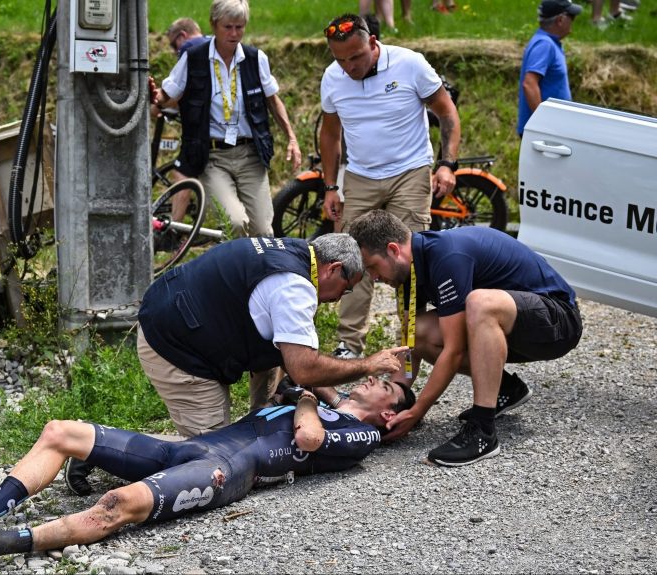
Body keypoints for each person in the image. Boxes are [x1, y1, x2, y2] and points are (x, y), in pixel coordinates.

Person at [0, 377, 416, 572]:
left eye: (388, 387)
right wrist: (313, 387)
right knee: (61, 430)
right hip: (193, 446)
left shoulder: (363, 434)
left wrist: (308, 396)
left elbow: (308, 438)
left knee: (121, 504)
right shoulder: (318, 399)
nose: (377, 379)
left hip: (227, 470)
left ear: (389, 414)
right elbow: (287, 379)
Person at [348, 210, 583, 467]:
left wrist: (419, 411)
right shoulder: (407, 272)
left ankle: (483, 432)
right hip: (512, 328)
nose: (374, 278)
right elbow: (410, 345)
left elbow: (454, 350)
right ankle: (506, 389)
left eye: (371, 266)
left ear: (393, 250)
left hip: (558, 321)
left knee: (480, 303)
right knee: (420, 331)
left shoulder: (446, 255)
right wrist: (399, 397)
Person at [138, 233, 406, 439]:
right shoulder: (293, 287)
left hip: (175, 310)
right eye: (346, 289)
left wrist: (334, 401)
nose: (338, 298)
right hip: (174, 344)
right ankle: (100, 445)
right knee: (213, 453)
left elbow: (286, 353)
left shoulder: (294, 250)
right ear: (333, 268)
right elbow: (304, 370)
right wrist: (368, 364)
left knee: (237, 435)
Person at [319, 13, 461, 361]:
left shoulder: (410, 64)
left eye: (355, 57)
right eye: (341, 59)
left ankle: (411, 341)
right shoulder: (333, 77)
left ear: (372, 43)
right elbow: (330, 133)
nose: (349, 67)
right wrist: (329, 186)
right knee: (351, 256)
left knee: (408, 259)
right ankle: (349, 343)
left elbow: (447, 113)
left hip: (409, 172)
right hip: (361, 176)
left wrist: (447, 164)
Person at [151, 0, 302, 238]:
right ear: (214, 25)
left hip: (250, 155)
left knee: (263, 230)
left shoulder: (255, 58)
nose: (234, 34)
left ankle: (258, 272)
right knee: (235, 223)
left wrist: (292, 138)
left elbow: (273, 100)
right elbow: (169, 95)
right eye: (228, 27)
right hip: (212, 157)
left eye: (240, 27)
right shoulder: (194, 57)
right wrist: (155, 98)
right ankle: (237, 272)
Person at [517, 0, 582, 137]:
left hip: (549, 131)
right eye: (572, 17)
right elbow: (529, 84)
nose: (573, 21)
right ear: (560, 20)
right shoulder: (544, 45)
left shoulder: (547, 42)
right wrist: (542, 124)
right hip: (544, 134)